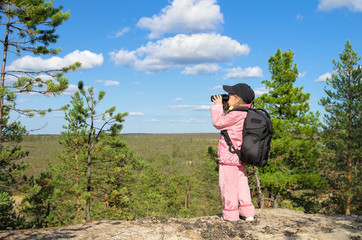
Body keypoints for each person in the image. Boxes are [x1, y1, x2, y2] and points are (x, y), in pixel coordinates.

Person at [211, 83, 255, 222]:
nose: (227, 97)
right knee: (242, 183)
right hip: (240, 155)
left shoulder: (236, 114)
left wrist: (218, 106)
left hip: (229, 156)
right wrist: (226, 107)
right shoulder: (246, 112)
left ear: (238, 99)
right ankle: (247, 212)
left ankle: (230, 215)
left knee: (228, 184)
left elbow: (218, 122)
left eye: (230, 95)